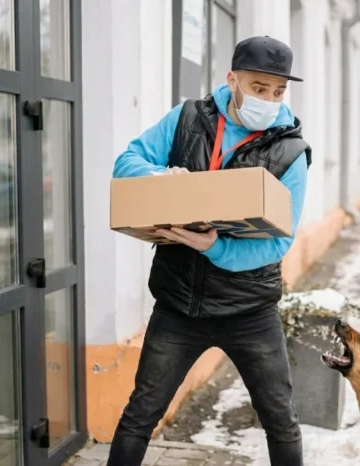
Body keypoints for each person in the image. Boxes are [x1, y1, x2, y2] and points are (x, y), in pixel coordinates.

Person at [106, 36, 310, 466]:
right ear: (232, 79)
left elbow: (279, 242)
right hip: (179, 305)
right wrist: (164, 179)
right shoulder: (187, 119)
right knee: (140, 415)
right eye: (259, 88)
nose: (270, 100)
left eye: (278, 91)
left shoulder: (291, 151)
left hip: (250, 311)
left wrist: (215, 247)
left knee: (280, 419)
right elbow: (127, 162)